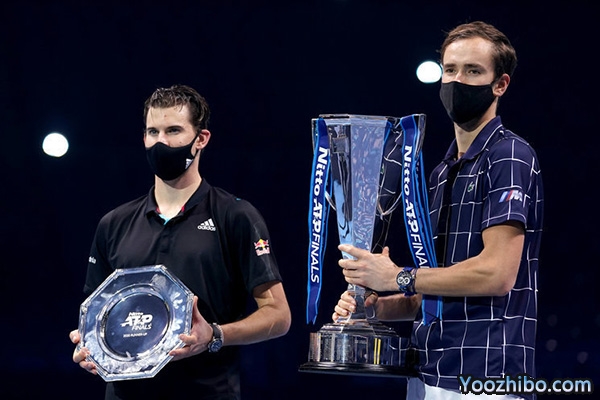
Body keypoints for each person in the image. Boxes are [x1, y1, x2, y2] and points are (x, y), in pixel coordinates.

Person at [332, 21, 543, 399]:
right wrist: (375, 308)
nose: (457, 81)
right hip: (427, 373)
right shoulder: (441, 172)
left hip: (485, 377)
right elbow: (432, 288)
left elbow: (496, 274)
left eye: (473, 71)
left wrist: (398, 276)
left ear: (500, 85)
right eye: (450, 70)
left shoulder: (509, 155)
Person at [69, 84, 291, 399]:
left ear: (201, 138)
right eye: (153, 132)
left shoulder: (235, 216)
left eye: (173, 131)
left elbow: (278, 315)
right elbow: (95, 317)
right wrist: (87, 346)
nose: (161, 142)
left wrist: (214, 335)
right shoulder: (113, 224)